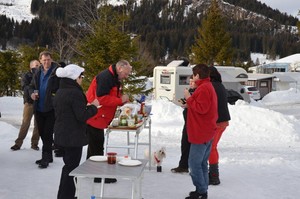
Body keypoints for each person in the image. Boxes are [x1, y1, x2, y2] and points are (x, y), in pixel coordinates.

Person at [54, 64, 99, 199]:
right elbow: (82, 116)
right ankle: (66, 196)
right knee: (71, 169)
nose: (82, 79)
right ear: (74, 77)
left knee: (68, 167)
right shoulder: (75, 92)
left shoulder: (61, 90)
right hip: (72, 136)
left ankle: (65, 195)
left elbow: (70, 111)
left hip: (63, 134)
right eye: (81, 76)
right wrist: (94, 107)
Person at [85, 60, 131, 183]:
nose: (126, 77)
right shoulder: (106, 77)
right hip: (96, 116)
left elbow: (111, 95)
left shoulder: (114, 77)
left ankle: (89, 170)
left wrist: (121, 99)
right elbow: (101, 98)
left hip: (99, 116)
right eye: (126, 74)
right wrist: (120, 100)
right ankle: (99, 176)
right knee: (98, 147)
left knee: (94, 146)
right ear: (120, 68)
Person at [184, 64, 218, 199]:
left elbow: (202, 109)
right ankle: (202, 189)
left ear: (197, 76)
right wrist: (189, 104)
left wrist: (188, 97)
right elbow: (202, 107)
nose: (193, 78)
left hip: (201, 132)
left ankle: (201, 192)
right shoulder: (207, 86)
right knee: (202, 163)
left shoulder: (204, 88)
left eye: (193, 75)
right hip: (207, 131)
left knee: (194, 164)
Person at [30, 51, 60, 169]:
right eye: (44, 60)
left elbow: (60, 88)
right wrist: (32, 93)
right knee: (42, 133)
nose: (46, 62)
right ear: (40, 60)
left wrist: (54, 98)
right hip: (39, 107)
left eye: (48, 59)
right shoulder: (37, 72)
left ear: (51, 59)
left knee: (47, 133)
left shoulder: (57, 72)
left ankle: (45, 157)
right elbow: (31, 86)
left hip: (51, 108)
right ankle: (49, 156)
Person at [10, 60, 40, 151]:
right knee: (25, 123)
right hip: (29, 103)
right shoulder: (26, 75)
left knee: (38, 125)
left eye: (39, 65)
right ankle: (18, 143)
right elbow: (24, 87)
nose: (38, 67)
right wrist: (33, 91)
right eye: (36, 65)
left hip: (38, 103)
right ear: (31, 67)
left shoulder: (41, 75)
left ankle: (34, 144)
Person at [208, 66, 231, 185]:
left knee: (211, 148)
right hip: (223, 121)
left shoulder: (211, 86)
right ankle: (213, 173)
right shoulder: (220, 85)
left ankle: (214, 176)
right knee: (213, 147)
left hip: (216, 122)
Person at [171, 75, 196, 173]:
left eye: (192, 82)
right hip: (188, 121)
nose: (190, 84)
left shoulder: (198, 91)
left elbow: (196, 106)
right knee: (184, 144)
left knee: (191, 146)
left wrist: (188, 103)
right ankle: (183, 165)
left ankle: (190, 167)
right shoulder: (191, 90)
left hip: (193, 123)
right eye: (189, 82)